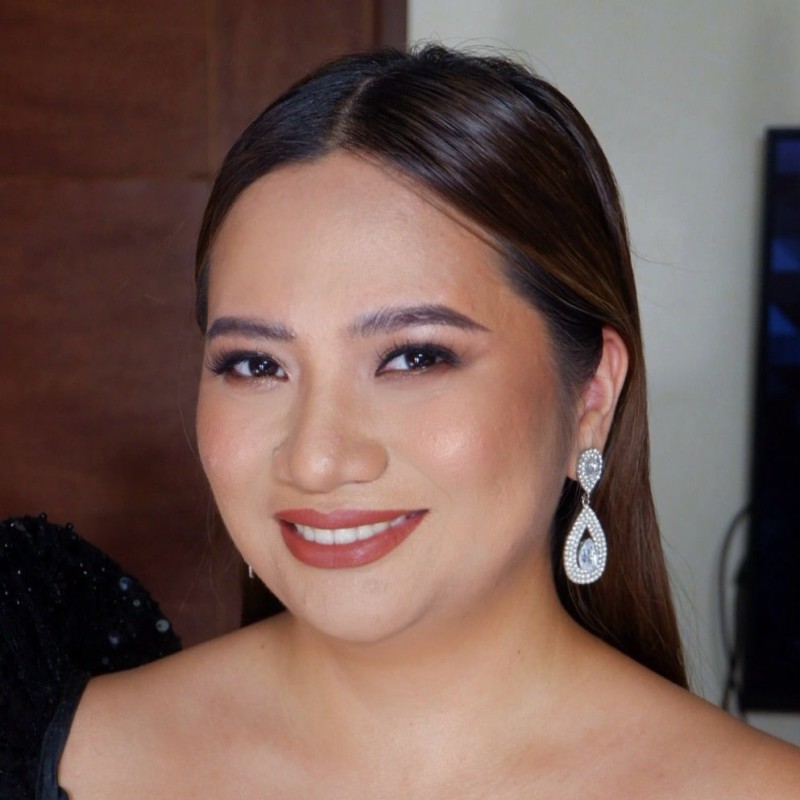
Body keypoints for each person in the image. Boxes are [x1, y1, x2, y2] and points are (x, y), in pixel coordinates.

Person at [3, 44, 799, 799]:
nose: (315, 459)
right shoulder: (42, 736)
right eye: (255, 364)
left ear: (590, 395)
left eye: (415, 358)